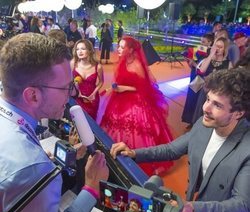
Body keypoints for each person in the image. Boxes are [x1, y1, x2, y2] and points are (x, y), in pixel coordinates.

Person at [110, 68, 250, 212]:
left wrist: (192, 208)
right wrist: (135, 153)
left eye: (217, 105)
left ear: (238, 113)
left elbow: (241, 206)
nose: (205, 108)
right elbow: (171, 149)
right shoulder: (203, 124)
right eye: (208, 99)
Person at [0, 33, 109, 212]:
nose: (70, 96)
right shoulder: (32, 169)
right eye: (66, 88)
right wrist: (91, 188)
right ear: (32, 96)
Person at [101, 36, 173, 176]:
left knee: (137, 129)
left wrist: (125, 88)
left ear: (131, 49)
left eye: (122, 47)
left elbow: (144, 87)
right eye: (119, 46)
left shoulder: (138, 65)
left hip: (135, 100)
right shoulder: (122, 62)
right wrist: (115, 88)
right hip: (119, 98)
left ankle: (138, 156)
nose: (119, 49)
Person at [192, 36, 233, 123]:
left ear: (225, 49)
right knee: (200, 112)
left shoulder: (228, 64)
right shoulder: (208, 59)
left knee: (211, 115)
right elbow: (202, 70)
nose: (217, 49)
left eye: (220, 47)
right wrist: (211, 55)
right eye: (216, 46)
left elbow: (229, 81)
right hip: (204, 91)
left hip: (217, 94)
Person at [182, 33, 214, 128]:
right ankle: (190, 120)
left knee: (198, 101)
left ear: (210, 42)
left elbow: (204, 70)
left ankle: (196, 122)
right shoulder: (199, 50)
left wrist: (195, 65)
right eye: (201, 41)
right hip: (195, 76)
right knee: (191, 99)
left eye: (203, 42)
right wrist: (190, 62)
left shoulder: (211, 54)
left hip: (202, 79)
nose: (201, 43)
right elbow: (193, 64)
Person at [71, 39, 103, 120]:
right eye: (77, 49)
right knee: (77, 122)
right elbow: (69, 81)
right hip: (77, 98)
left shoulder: (98, 66)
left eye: (83, 49)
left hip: (92, 99)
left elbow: (101, 82)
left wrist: (93, 94)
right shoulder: (73, 63)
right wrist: (77, 92)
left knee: (91, 123)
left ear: (89, 50)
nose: (80, 51)